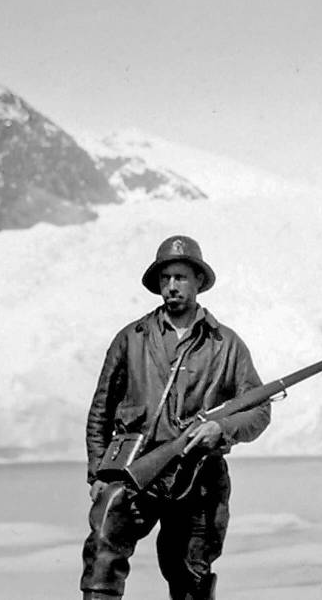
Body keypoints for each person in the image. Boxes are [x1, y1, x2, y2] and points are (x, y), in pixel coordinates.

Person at [80, 235, 271, 600]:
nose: (172, 286)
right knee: (102, 561)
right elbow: (100, 412)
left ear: (198, 281)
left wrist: (222, 428)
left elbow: (259, 409)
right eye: (165, 278)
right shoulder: (130, 339)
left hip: (199, 479)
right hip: (135, 474)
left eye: (181, 277)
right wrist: (97, 476)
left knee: (190, 576)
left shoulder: (226, 344)